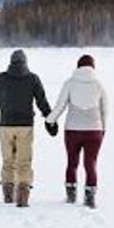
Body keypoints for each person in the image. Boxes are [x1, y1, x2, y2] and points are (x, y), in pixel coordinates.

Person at [0, 49, 56, 208]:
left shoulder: (1, 78)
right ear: (25, 62)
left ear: (11, 62)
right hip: (25, 126)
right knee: (24, 161)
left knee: (8, 160)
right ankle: (22, 197)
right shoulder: (32, 79)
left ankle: (8, 195)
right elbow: (41, 101)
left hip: (5, 126)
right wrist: (50, 120)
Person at [46, 54, 108, 208]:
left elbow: (60, 105)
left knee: (72, 162)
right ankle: (90, 197)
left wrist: (50, 120)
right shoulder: (99, 85)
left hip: (73, 130)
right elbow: (104, 110)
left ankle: (71, 195)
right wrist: (103, 129)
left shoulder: (70, 83)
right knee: (91, 163)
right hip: (94, 130)